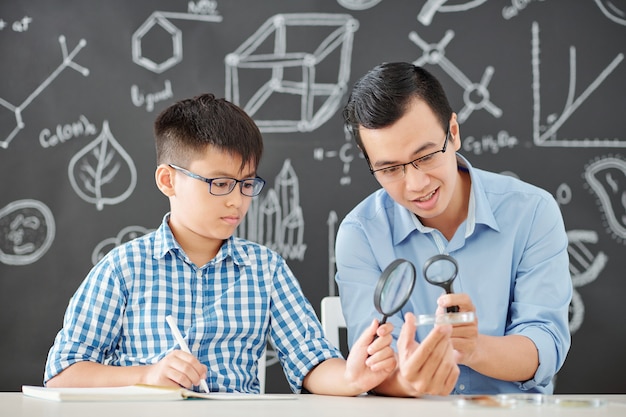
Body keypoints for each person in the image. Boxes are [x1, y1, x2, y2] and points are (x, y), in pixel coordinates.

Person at [44, 93, 396, 395]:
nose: (237, 201)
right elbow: (62, 375)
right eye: (220, 183)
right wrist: (146, 376)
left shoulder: (265, 269)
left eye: (246, 184)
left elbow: (312, 362)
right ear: (168, 180)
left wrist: (352, 376)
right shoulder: (124, 268)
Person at [336, 62, 572, 396]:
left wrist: (475, 349)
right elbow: (372, 365)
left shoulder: (532, 212)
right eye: (390, 169)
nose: (416, 184)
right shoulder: (359, 233)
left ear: (454, 132)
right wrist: (409, 382)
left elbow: (545, 345)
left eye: (427, 155)